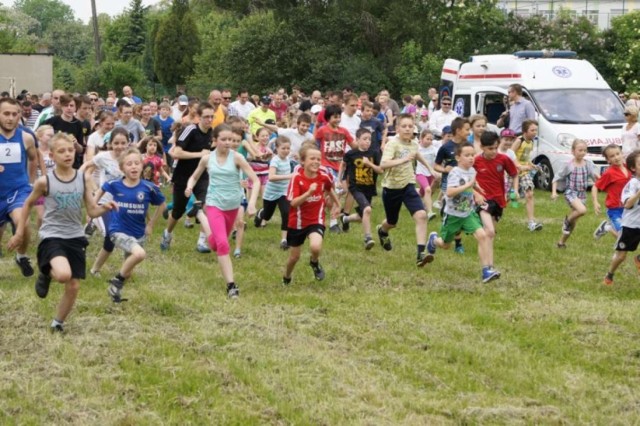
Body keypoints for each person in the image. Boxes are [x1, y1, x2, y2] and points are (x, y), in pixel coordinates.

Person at [8, 132, 117, 332]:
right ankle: (45, 271)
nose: (67, 154)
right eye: (61, 151)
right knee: (64, 275)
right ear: (51, 155)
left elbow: (92, 210)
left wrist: (106, 207)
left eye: (70, 150)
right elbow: (28, 204)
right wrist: (19, 232)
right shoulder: (45, 182)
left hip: (75, 236)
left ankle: (57, 323)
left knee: (73, 286)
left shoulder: (82, 179)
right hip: (52, 236)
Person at [185, 124, 260, 299]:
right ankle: (231, 286)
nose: (227, 143)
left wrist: (251, 203)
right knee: (224, 245)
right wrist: (189, 186)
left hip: (232, 206)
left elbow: (255, 181)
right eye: (223, 139)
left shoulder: (237, 158)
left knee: (214, 245)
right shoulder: (207, 159)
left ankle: (199, 214)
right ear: (215, 140)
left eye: (230, 139)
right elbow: (195, 176)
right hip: (214, 205)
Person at [97, 148, 166, 302]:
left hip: (138, 232)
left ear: (142, 166)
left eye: (136, 163)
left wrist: (151, 224)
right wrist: (92, 210)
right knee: (140, 254)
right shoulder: (114, 184)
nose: (133, 167)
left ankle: (117, 287)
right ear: (122, 168)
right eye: (129, 164)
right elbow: (98, 193)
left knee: (128, 272)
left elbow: (162, 205)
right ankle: (116, 282)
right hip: (117, 230)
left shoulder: (149, 187)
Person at [426, 144, 500, 283]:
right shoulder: (455, 172)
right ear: (458, 158)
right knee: (446, 245)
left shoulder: (472, 170)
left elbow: (472, 181)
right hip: (453, 215)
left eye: (472, 155)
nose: (471, 158)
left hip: (467, 213)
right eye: (467, 155)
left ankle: (486, 271)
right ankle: (434, 240)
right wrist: (468, 186)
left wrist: (477, 189)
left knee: (482, 236)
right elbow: (449, 192)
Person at [376, 114, 435, 267]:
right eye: (404, 126)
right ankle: (383, 231)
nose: (408, 129)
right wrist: (402, 160)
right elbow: (383, 164)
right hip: (392, 188)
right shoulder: (392, 144)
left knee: (421, 215)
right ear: (397, 129)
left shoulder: (414, 143)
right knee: (392, 222)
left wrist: (430, 169)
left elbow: (416, 154)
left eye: (410, 126)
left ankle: (420, 254)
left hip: (408, 185)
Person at [282, 143, 340, 285]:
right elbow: (294, 203)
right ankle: (287, 277)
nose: (316, 162)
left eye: (318, 159)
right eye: (312, 159)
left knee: (315, 246)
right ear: (302, 161)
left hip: (316, 219)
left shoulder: (323, 176)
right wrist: (308, 193)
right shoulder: (296, 178)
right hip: (297, 222)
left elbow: (329, 188)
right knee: (294, 257)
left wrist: (337, 204)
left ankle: (314, 262)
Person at [161, 103, 215, 253]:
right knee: (178, 212)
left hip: (202, 176)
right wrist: (200, 154)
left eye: (212, 116)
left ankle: (202, 242)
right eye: (206, 117)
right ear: (198, 116)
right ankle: (167, 234)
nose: (209, 120)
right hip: (183, 176)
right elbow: (175, 153)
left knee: (205, 206)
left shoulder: (212, 132)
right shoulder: (190, 129)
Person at [81, 127, 129, 274]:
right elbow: (87, 165)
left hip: (122, 204)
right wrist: (75, 179)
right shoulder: (103, 157)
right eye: (116, 143)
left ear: (128, 143)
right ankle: (94, 221)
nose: (119, 146)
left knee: (114, 240)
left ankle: (95, 268)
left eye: (123, 143)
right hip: (104, 201)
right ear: (110, 144)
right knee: (111, 236)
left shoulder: (130, 158)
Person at [0, 97, 38, 276]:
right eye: (6, 113)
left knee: (24, 223)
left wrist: (30, 183)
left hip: (18, 190)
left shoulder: (26, 137)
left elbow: (33, 158)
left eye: (14, 114)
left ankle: (21, 256)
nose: (10, 118)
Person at [473, 131, 519, 248]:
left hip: (498, 199)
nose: (494, 151)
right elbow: (466, 178)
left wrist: (515, 190)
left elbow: (514, 174)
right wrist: (474, 192)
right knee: (490, 231)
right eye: (490, 148)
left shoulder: (503, 159)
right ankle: (486, 263)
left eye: (495, 148)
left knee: (490, 233)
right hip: (483, 199)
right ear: (482, 147)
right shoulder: (475, 161)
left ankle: (487, 258)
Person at [550, 139, 600, 248]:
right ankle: (566, 220)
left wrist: (602, 182)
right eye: (580, 150)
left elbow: (595, 177)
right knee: (582, 210)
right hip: (570, 193)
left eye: (585, 150)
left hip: (582, 194)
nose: (582, 152)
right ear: (573, 151)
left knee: (573, 223)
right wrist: (554, 192)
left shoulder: (588, 164)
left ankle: (561, 243)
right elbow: (556, 178)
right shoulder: (568, 165)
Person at [339, 128, 382, 249]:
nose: (368, 141)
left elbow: (380, 170)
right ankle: (368, 238)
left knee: (362, 216)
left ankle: (346, 219)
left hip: (369, 188)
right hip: (355, 187)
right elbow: (343, 166)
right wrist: (340, 180)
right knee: (367, 210)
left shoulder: (374, 153)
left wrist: (370, 164)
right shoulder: (351, 154)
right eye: (364, 139)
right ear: (357, 140)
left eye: (369, 139)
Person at [434, 119, 471, 253]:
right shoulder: (445, 147)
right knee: (454, 211)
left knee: (462, 209)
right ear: (458, 131)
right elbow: (436, 165)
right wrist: (444, 170)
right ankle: (457, 243)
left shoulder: (468, 146)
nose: (469, 132)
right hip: (448, 184)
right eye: (467, 129)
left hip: (465, 184)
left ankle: (457, 241)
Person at [603, 149, 640, 285]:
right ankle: (610, 274)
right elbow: (628, 204)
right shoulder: (632, 184)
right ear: (633, 168)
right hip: (630, 225)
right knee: (621, 255)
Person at [254, 136, 293, 249]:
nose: (286, 151)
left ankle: (284, 240)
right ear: (276, 148)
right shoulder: (275, 160)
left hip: (284, 192)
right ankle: (261, 213)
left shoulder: (288, 159)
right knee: (267, 215)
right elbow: (271, 177)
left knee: (286, 213)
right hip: (271, 193)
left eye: (288, 148)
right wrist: (288, 176)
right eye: (283, 148)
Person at [594, 144, 631, 240]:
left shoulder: (629, 168)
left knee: (631, 233)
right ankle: (607, 227)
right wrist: (595, 202)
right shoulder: (609, 173)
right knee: (623, 236)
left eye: (618, 154)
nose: (616, 157)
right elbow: (595, 186)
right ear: (608, 160)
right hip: (615, 209)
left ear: (622, 154)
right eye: (612, 156)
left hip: (629, 207)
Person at [512, 119, 543, 231]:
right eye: (532, 130)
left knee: (529, 193)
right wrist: (518, 166)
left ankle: (531, 222)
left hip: (524, 172)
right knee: (505, 197)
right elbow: (510, 154)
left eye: (536, 130)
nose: (535, 132)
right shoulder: (519, 141)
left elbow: (525, 157)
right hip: (512, 172)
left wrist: (531, 164)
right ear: (525, 131)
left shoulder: (531, 142)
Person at [44, 93, 86, 169]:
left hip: (72, 163)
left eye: (71, 105)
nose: (69, 108)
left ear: (76, 107)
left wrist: (76, 144)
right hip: (54, 163)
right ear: (61, 107)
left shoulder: (78, 124)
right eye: (66, 105)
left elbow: (81, 150)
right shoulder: (51, 122)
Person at [34, 125, 55, 229]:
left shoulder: (56, 150)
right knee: (42, 216)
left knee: (52, 215)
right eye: (49, 135)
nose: (52, 137)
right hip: (37, 186)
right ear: (40, 136)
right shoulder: (33, 151)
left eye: (53, 135)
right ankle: (41, 233)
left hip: (53, 185)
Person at [416, 129, 439, 221]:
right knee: (428, 190)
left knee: (422, 193)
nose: (429, 141)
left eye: (431, 139)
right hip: (420, 173)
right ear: (421, 138)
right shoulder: (417, 148)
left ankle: (411, 193)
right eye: (427, 139)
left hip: (431, 174)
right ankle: (429, 212)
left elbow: (439, 160)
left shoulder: (434, 149)